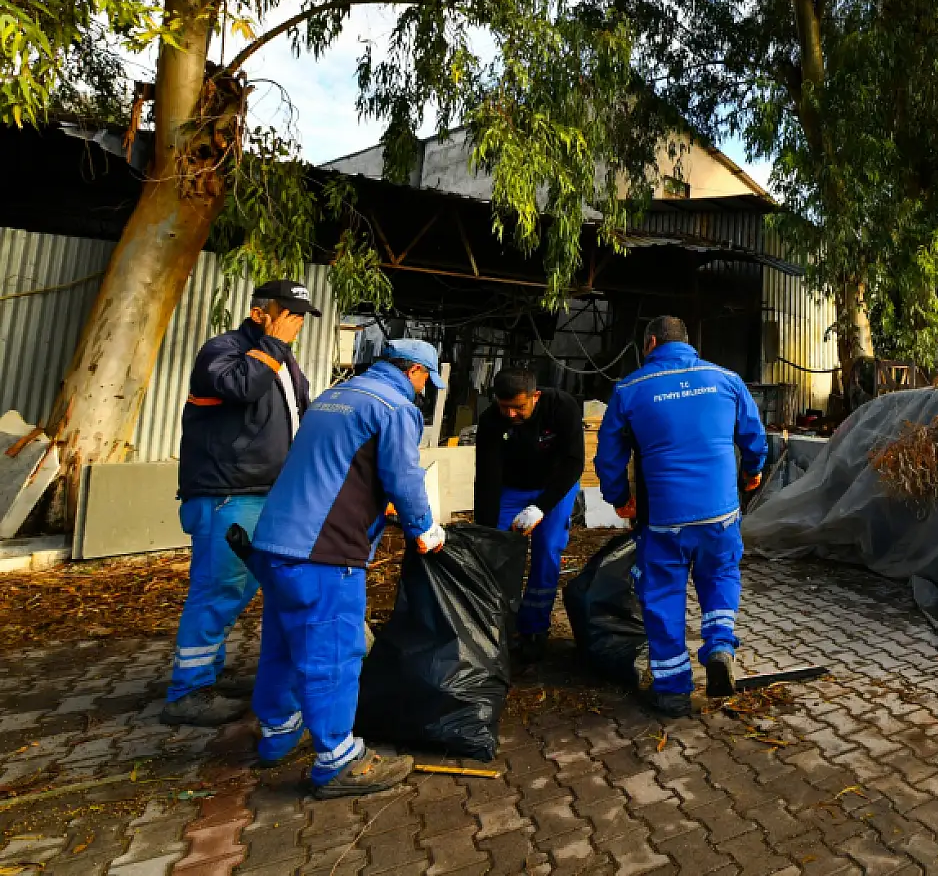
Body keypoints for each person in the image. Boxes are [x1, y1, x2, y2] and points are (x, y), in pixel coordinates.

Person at [245, 339, 448, 797]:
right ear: (414, 372)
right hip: (325, 551)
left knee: (282, 641)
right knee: (334, 651)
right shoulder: (395, 406)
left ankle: (277, 732)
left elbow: (335, 467)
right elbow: (404, 476)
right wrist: (424, 527)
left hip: (275, 541)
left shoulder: (333, 396)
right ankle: (337, 759)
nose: (422, 390)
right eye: (424, 381)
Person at [161, 280, 319, 726]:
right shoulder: (223, 351)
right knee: (218, 588)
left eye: (301, 316)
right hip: (226, 493)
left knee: (242, 586)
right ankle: (187, 691)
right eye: (287, 313)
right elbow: (241, 388)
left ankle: (205, 674)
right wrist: (274, 345)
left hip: (264, 492)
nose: (296, 323)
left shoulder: (281, 359)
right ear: (259, 313)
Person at [595, 316, 767, 717]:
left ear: (650, 342)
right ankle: (721, 645)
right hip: (721, 514)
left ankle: (673, 689)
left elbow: (608, 455)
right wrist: (752, 470)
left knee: (662, 595)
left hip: (664, 520)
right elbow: (753, 437)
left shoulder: (630, 388)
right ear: (687, 343)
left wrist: (619, 497)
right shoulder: (726, 379)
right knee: (721, 575)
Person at [473, 367, 586, 663]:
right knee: (496, 552)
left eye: (518, 407)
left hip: (554, 485)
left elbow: (574, 463)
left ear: (535, 396)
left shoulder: (561, 407)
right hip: (511, 487)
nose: (510, 414)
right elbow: (487, 477)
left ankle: (534, 628)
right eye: (504, 406)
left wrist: (541, 507)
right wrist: (486, 531)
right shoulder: (491, 420)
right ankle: (497, 624)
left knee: (547, 551)